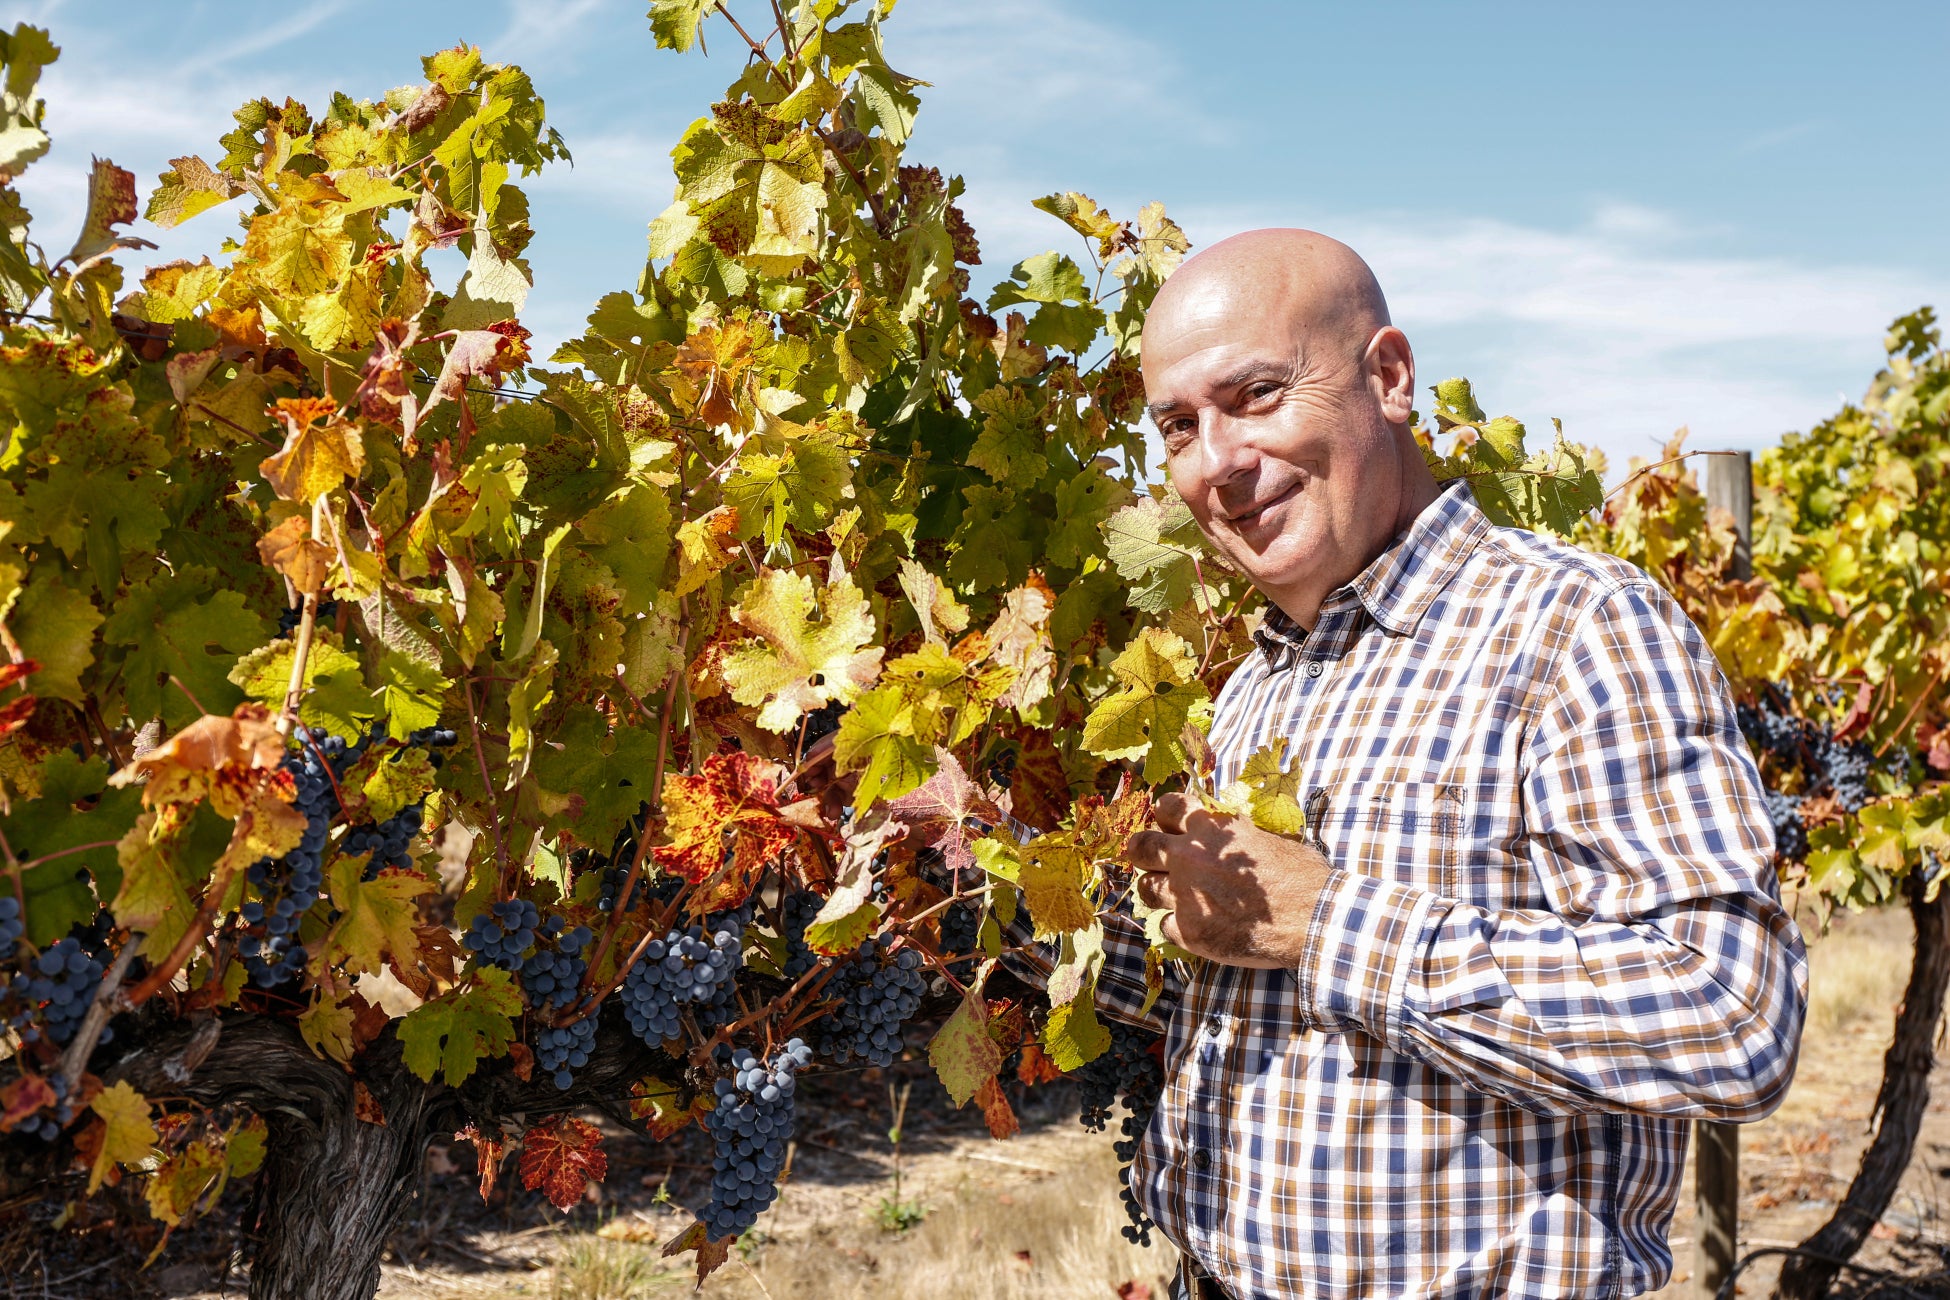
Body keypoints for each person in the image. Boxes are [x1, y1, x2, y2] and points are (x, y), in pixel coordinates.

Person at [1049, 229, 1805, 1298]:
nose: (1215, 460)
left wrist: (1330, 922)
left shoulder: (1574, 626)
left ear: (1389, 378)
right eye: (1179, 426)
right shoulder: (1250, 687)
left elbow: (1733, 1016)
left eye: (1257, 394)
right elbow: (1215, 998)